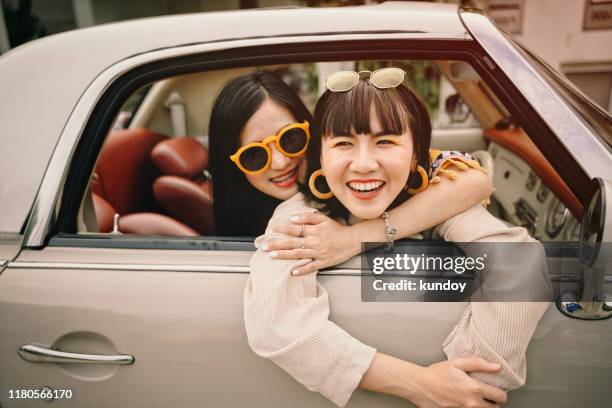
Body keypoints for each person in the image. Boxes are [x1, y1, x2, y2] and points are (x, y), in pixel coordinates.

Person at [244, 68, 550, 407]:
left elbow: (519, 264)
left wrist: (465, 389)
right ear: (321, 154)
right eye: (343, 143)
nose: (363, 164)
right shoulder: (298, 218)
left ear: (418, 154)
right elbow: (277, 326)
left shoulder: (438, 199)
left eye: (385, 141)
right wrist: (422, 384)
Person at [209, 70, 492, 273]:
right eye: (255, 155)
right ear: (232, 163)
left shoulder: (356, 167)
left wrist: (354, 238)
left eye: (290, 139)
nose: (280, 161)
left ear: (316, 135)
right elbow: (281, 331)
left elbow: (472, 180)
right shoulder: (275, 229)